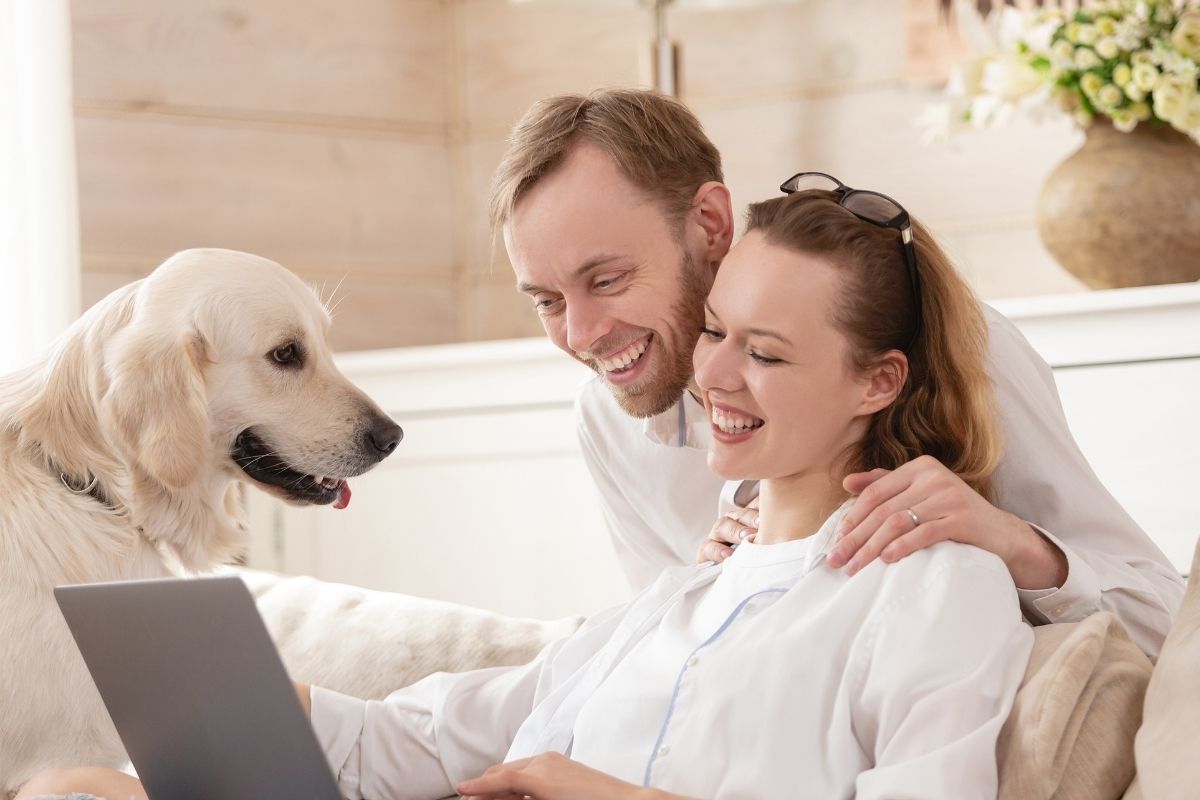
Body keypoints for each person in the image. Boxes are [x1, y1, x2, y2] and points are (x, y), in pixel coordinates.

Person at [19, 182, 1036, 800]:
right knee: (70, 788)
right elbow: (416, 738)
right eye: (715, 332)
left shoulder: (932, 589)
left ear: (878, 381)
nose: (715, 375)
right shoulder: (681, 598)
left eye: (764, 353)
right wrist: (236, 695)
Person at [490, 88, 1182, 658]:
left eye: (607, 279)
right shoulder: (608, 418)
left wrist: (1011, 544)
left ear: (709, 223)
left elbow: (1167, 627)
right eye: (547, 301)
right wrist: (706, 594)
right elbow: (658, 668)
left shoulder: (960, 345)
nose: (579, 335)